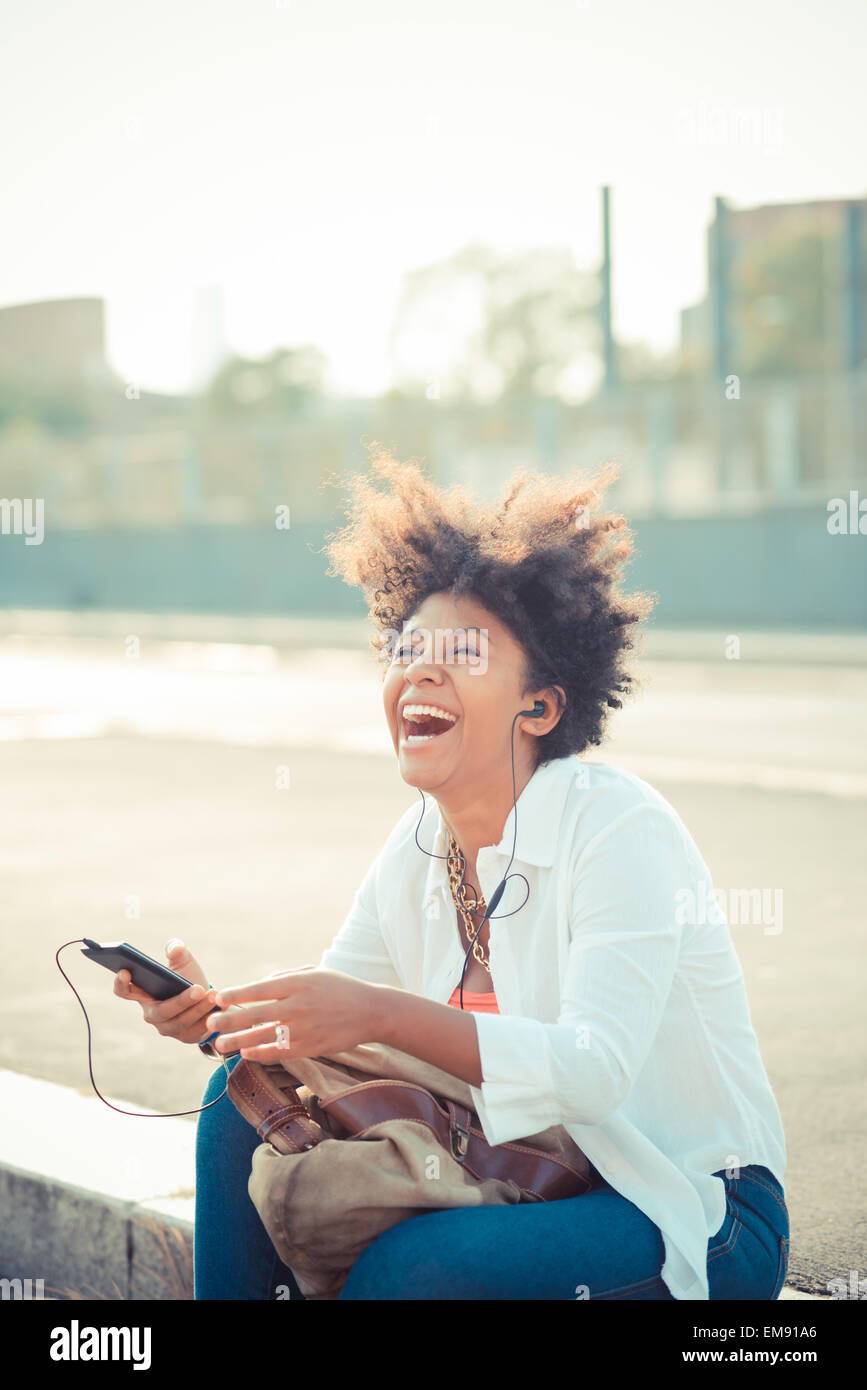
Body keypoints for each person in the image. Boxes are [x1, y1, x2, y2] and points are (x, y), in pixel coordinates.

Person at [115, 446, 789, 1300]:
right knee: (240, 1094)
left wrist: (375, 1011)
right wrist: (221, 1018)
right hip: (528, 1162)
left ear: (539, 705)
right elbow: (332, 1032)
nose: (419, 670)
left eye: (463, 652)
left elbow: (592, 1070)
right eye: (405, 648)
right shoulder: (417, 845)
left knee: (414, 1272)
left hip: (684, 1205)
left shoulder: (618, 827)